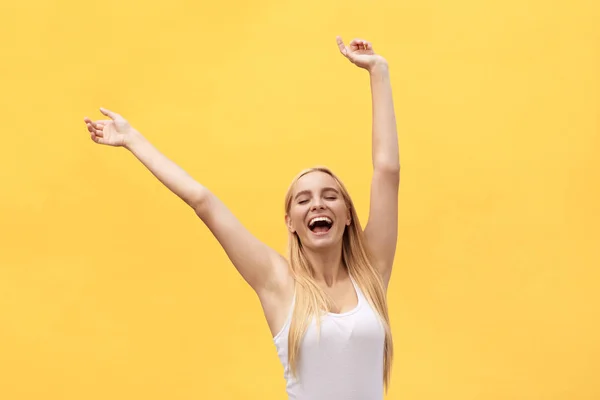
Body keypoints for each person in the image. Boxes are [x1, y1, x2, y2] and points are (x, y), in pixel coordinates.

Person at [83, 35, 400, 400]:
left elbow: (387, 170)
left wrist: (378, 71)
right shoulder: (279, 283)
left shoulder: (372, 273)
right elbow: (203, 201)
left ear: (347, 216)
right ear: (291, 223)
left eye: (330, 197)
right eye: (303, 200)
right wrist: (133, 140)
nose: (317, 205)